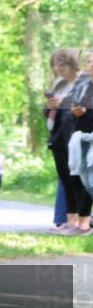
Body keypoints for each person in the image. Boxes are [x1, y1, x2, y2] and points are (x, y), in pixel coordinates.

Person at [44, 49, 89, 235]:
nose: (58, 70)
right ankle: (69, 221)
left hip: (77, 134)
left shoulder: (84, 81)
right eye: (56, 66)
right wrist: (51, 107)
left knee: (80, 180)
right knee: (66, 180)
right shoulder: (60, 84)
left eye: (62, 66)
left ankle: (82, 222)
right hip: (59, 135)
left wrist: (65, 102)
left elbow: (83, 104)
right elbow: (51, 112)